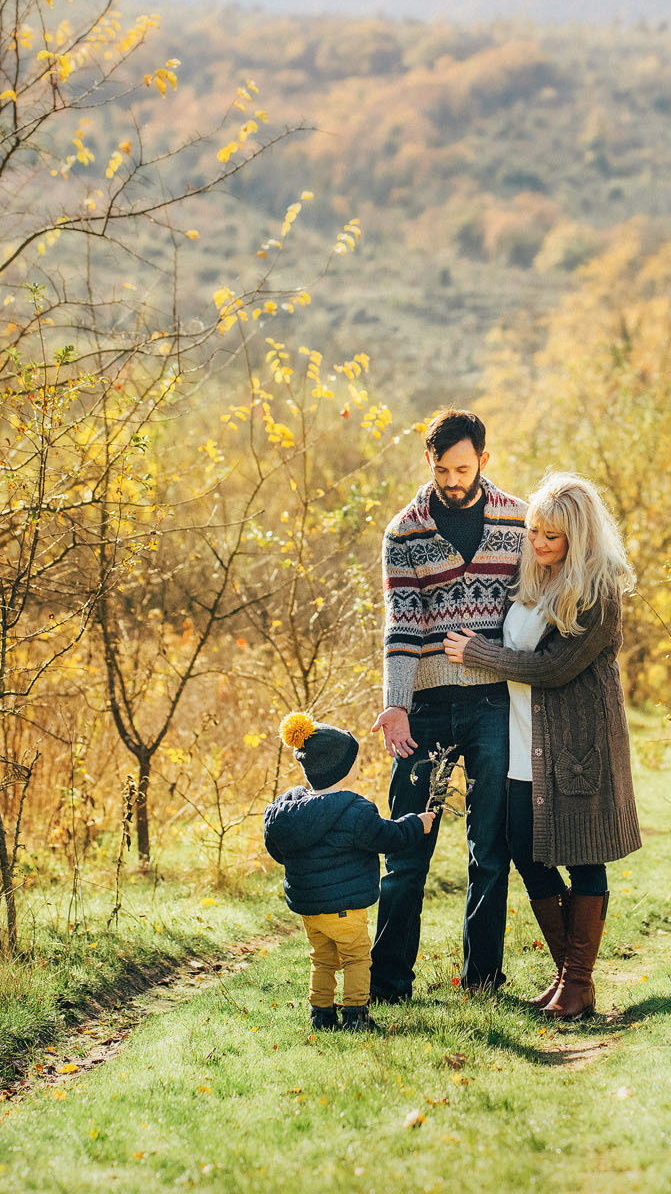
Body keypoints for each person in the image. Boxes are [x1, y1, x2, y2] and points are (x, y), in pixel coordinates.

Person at [445, 471, 641, 1020]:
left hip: (578, 744)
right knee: (525, 851)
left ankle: (577, 983)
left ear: (577, 537)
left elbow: (554, 669)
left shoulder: (598, 590)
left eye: (551, 537)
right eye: (533, 532)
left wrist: (480, 654)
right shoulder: (534, 579)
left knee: (582, 857)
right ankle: (569, 978)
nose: (537, 543)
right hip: (524, 740)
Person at [369, 410, 527, 1001]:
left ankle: (482, 982)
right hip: (428, 710)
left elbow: (527, 609)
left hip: (493, 704)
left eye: (463, 468)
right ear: (428, 463)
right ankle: (388, 985)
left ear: (484, 460)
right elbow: (402, 623)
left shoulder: (516, 520)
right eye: (442, 469)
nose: (452, 479)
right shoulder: (404, 532)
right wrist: (397, 704)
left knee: (489, 849)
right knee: (408, 847)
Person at [262, 712, 436, 1032]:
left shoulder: (288, 811)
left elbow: (278, 851)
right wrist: (416, 824)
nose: (358, 768)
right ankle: (356, 1014)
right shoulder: (354, 810)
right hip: (346, 909)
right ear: (342, 770)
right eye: (355, 763)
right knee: (357, 959)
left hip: (310, 909)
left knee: (322, 959)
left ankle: (321, 1013)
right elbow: (389, 838)